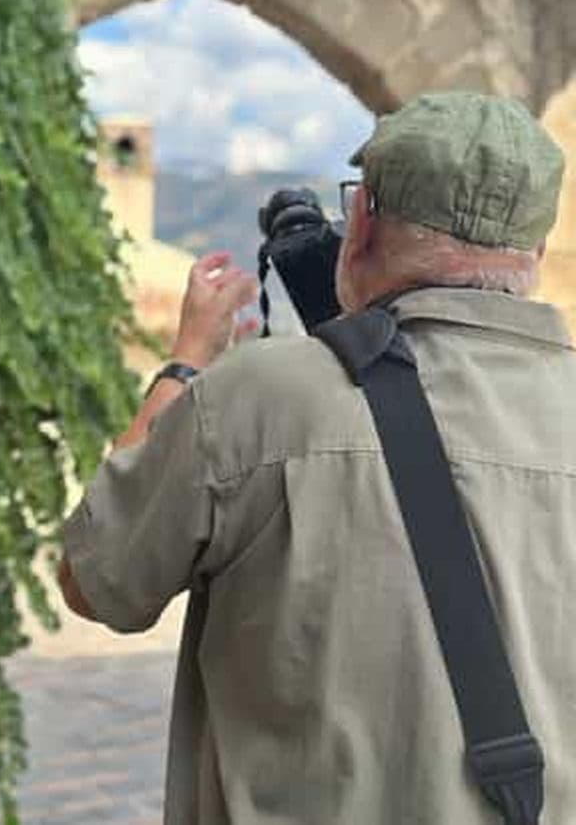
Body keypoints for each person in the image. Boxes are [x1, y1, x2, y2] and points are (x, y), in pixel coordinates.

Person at [57, 92, 576, 824]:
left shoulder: (259, 399)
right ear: (536, 254)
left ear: (360, 221)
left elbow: (95, 577)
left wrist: (186, 365)